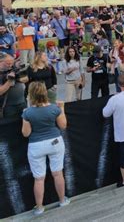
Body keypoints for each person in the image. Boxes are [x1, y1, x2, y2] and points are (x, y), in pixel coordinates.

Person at [21, 82, 69, 215]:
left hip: (36, 145)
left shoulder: (27, 113)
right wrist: (62, 108)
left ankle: (40, 207)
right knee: (58, 173)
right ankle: (62, 200)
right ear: (45, 93)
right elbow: (63, 125)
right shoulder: (54, 108)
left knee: (39, 178)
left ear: (31, 95)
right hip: (55, 142)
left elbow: (26, 133)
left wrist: (26, 115)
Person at [0, 53, 28, 119]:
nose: (10, 65)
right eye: (7, 63)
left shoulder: (13, 68)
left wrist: (17, 78)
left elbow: (26, 79)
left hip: (22, 103)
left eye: (11, 63)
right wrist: (9, 81)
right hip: (7, 106)